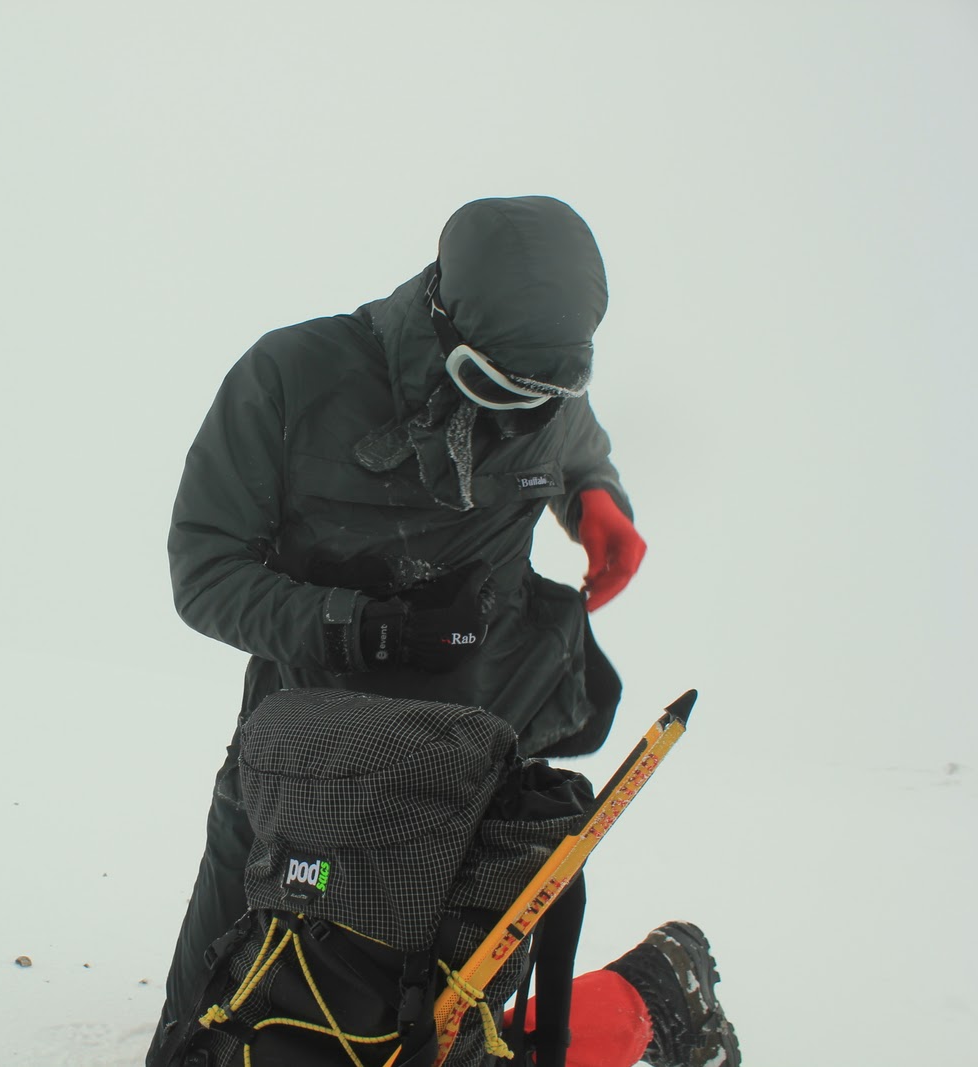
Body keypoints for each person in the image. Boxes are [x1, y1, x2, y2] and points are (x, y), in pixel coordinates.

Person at [149, 197, 736, 1066]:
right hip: (295, 768)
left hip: (463, 772)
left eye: (545, 396)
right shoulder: (291, 377)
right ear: (442, 317)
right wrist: (367, 629)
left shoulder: (544, 399)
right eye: (495, 388)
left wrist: (594, 498)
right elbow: (204, 572)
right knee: (198, 1042)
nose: (519, 417)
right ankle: (650, 990)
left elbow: (574, 437)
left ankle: (652, 992)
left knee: (433, 1039)